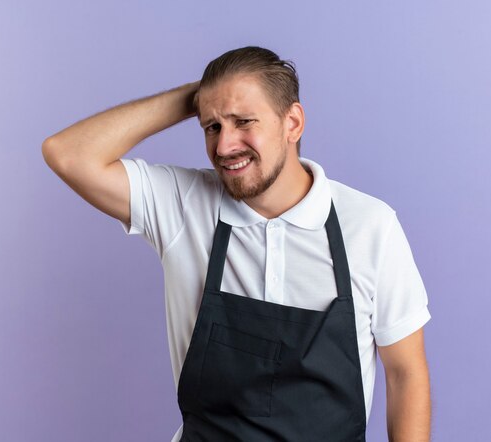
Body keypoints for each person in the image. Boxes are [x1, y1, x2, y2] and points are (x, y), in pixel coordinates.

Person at [42, 46, 432, 441]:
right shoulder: (183, 206)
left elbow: (405, 373)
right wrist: (198, 97)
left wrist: (218, 100)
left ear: (292, 122)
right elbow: (67, 154)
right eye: (212, 127)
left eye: (244, 121)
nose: (225, 146)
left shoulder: (369, 227)